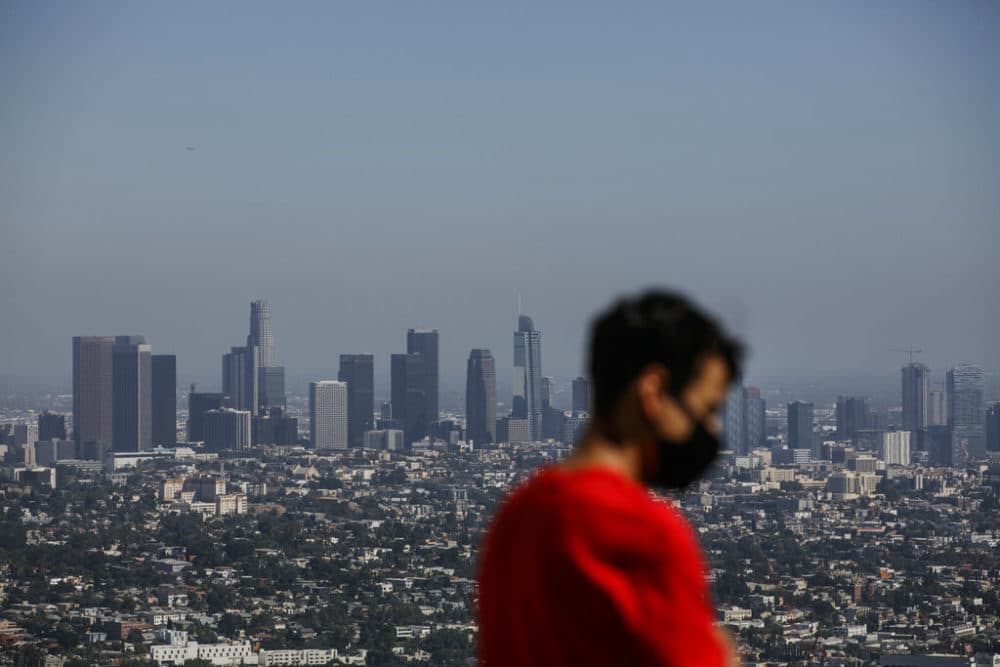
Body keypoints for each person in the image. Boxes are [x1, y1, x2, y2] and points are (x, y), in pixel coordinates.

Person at [477, 290, 744, 667]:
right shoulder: (643, 535)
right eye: (705, 409)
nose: (710, 428)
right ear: (652, 391)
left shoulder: (514, 519)